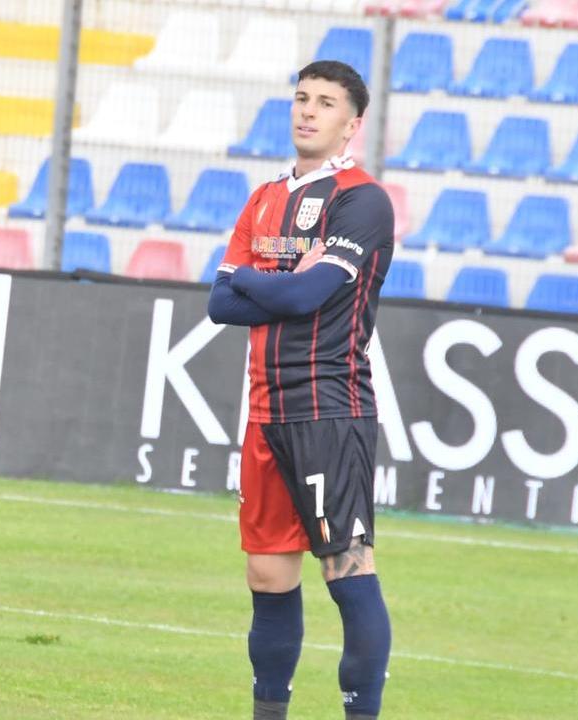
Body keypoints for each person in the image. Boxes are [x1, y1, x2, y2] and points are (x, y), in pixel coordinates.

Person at [207, 60, 395, 720]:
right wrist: (280, 281)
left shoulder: (362, 199)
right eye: (301, 99)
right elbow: (218, 304)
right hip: (264, 410)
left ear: (353, 122)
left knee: (347, 571)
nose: (308, 112)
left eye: (324, 103)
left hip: (327, 406)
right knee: (267, 575)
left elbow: (312, 291)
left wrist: (261, 281)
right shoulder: (263, 197)